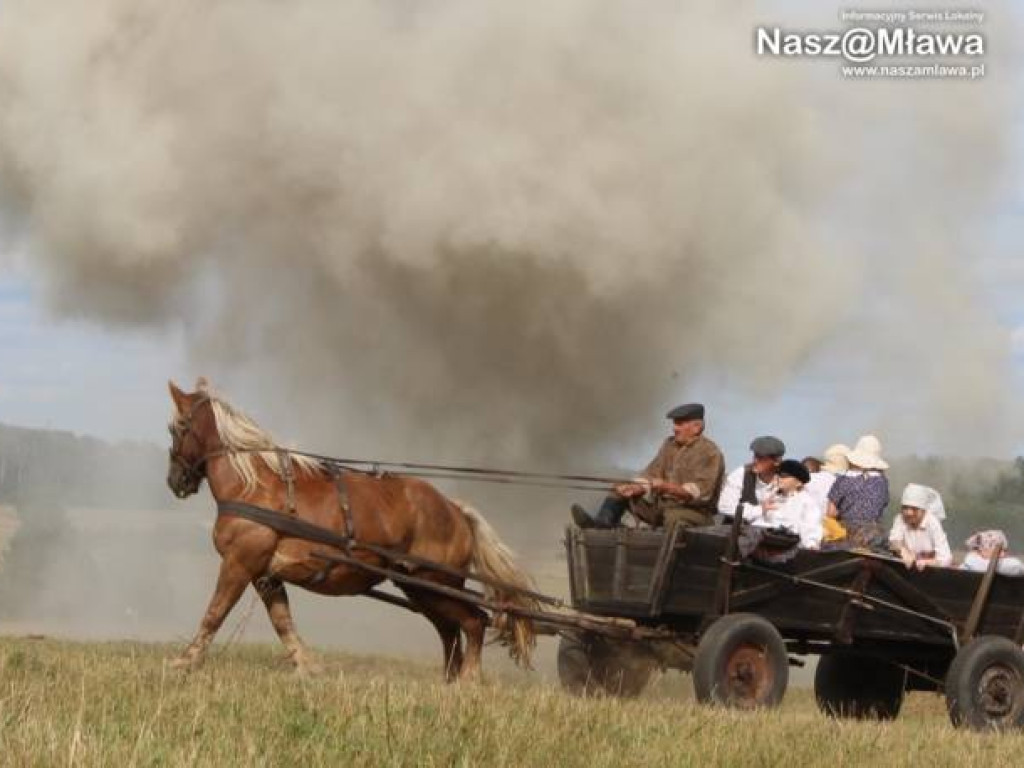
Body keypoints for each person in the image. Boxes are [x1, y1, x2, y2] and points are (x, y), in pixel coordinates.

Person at [570, 403, 725, 529]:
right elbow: (651, 474)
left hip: (696, 513)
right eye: (674, 424)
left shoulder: (711, 453)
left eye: (679, 424)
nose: (674, 428)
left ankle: (667, 557)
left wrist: (666, 487)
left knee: (673, 517)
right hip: (661, 509)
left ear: (696, 427)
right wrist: (635, 488)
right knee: (620, 490)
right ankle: (601, 526)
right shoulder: (669, 445)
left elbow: (698, 492)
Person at [742, 459, 823, 549]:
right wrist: (762, 509)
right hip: (766, 544)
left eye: (785, 476)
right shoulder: (771, 496)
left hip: (791, 548)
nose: (780, 478)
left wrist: (811, 543)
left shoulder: (807, 502)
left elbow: (811, 525)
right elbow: (759, 521)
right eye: (778, 475)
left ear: (798, 482)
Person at [826, 435, 889, 549]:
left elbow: (831, 513)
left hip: (848, 534)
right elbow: (882, 506)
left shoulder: (844, 479)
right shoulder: (883, 481)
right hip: (875, 536)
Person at [717, 436, 786, 521]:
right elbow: (725, 506)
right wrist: (760, 510)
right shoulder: (741, 474)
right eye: (755, 456)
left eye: (761, 458)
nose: (755, 461)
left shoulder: (789, 479)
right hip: (740, 530)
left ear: (777, 461)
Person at [888, 483, 952, 570]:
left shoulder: (932, 522)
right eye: (905, 508)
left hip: (929, 571)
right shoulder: (900, 518)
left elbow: (946, 558)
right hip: (905, 568)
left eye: (914, 509)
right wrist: (903, 551)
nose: (909, 513)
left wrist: (927, 562)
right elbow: (894, 540)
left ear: (923, 510)